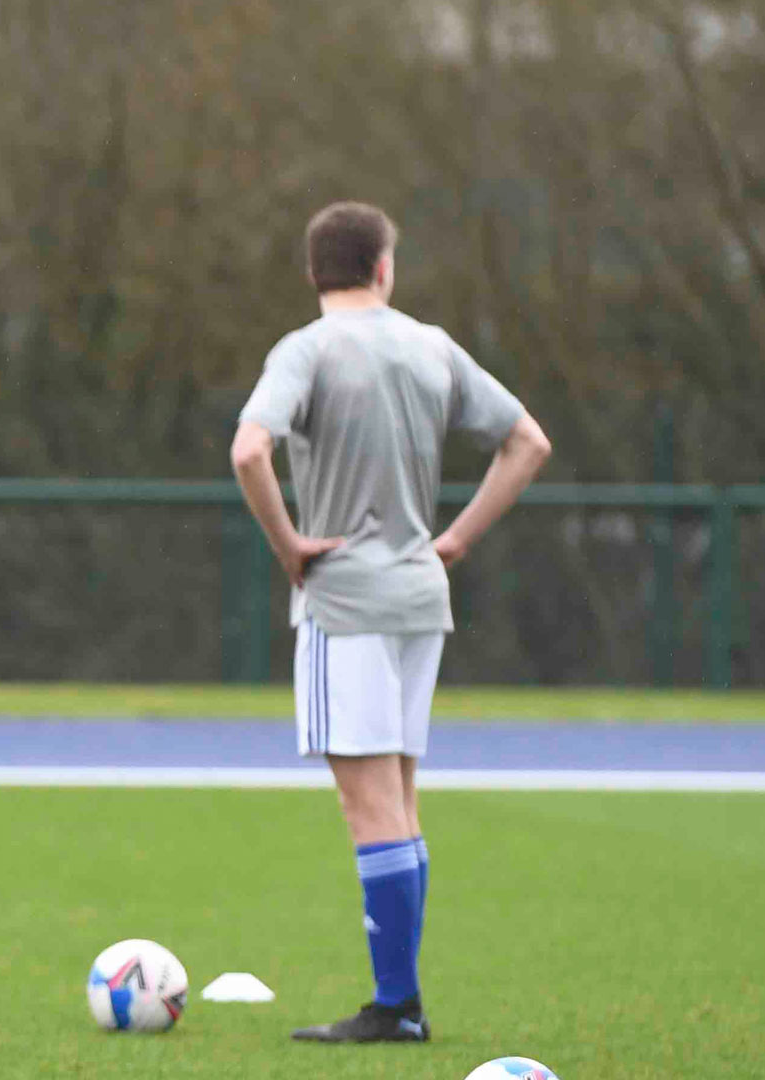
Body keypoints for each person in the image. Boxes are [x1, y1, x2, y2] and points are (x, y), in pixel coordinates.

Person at [230, 201, 551, 1044]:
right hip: (418, 599)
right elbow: (528, 442)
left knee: (370, 808)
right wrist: (455, 538)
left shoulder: (306, 349)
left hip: (347, 601)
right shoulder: (431, 345)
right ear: (384, 268)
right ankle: (401, 1003)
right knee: (401, 803)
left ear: (313, 273)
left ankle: (396, 1006)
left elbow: (249, 448)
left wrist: (291, 545)